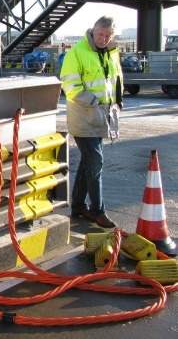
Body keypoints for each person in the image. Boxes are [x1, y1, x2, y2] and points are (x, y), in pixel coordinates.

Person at [60, 16, 123, 229]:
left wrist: (118, 100)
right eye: (100, 34)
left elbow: (116, 78)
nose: (103, 39)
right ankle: (98, 210)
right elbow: (70, 87)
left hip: (103, 117)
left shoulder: (112, 52)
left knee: (89, 163)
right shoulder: (77, 52)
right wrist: (95, 102)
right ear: (93, 30)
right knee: (95, 162)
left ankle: (78, 207)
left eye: (107, 35)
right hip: (84, 117)